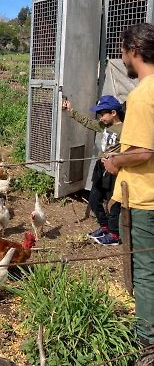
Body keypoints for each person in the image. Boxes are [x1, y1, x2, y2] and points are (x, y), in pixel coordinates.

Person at [102, 23, 154, 357]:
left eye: (122, 51)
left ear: (133, 50)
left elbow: (145, 151)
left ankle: (146, 342)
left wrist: (117, 161)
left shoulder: (141, 95)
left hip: (146, 199)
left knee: (145, 272)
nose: (122, 58)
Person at [62, 95, 124, 246]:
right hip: (100, 166)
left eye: (103, 114)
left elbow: (131, 150)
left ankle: (114, 234)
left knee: (113, 202)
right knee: (94, 199)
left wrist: (117, 156)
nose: (101, 118)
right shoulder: (103, 126)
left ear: (113, 113)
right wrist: (71, 111)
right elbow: (88, 123)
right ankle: (104, 226)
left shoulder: (125, 129)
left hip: (114, 167)